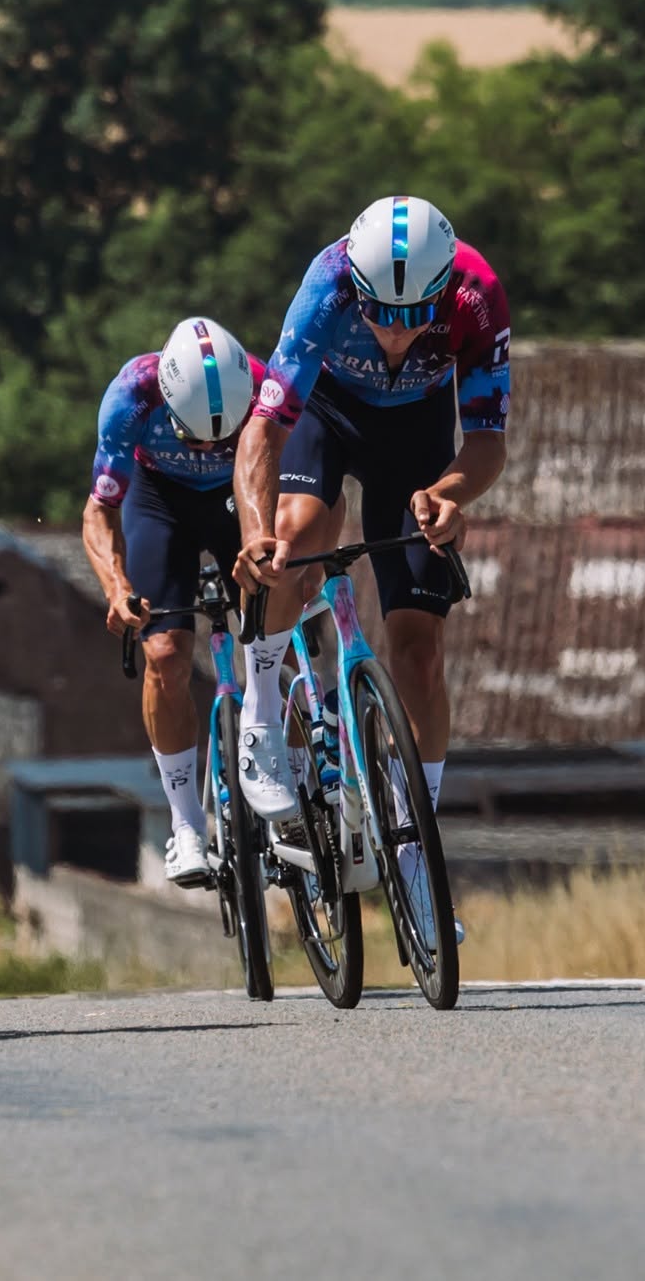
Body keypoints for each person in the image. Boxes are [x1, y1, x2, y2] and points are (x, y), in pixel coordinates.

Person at [232, 196, 510, 951]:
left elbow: (487, 438)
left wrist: (449, 494)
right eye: (378, 313)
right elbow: (264, 427)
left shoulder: (477, 297)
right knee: (295, 540)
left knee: (418, 648)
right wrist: (255, 531)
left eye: (412, 314)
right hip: (328, 419)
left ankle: (416, 849)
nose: (392, 331)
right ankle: (261, 709)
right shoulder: (326, 285)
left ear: (445, 291)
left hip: (416, 438)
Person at [81, 317, 262, 886]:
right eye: (194, 434)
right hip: (159, 498)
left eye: (219, 433)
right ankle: (186, 826)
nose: (208, 445)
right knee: (164, 655)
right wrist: (116, 586)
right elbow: (99, 511)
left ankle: (294, 752)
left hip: (240, 488)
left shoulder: (264, 384)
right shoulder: (132, 397)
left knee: (281, 621)